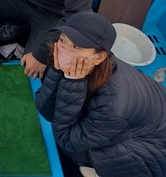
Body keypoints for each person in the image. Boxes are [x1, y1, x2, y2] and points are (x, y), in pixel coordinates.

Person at [35, 11, 166, 177]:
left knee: (77, 152)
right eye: (62, 40)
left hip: (154, 150)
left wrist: (72, 83)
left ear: (98, 58)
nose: (64, 50)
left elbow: (66, 139)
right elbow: (45, 107)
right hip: (138, 123)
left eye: (76, 47)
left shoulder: (113, 105)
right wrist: (58, 70)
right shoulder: (88, 66)